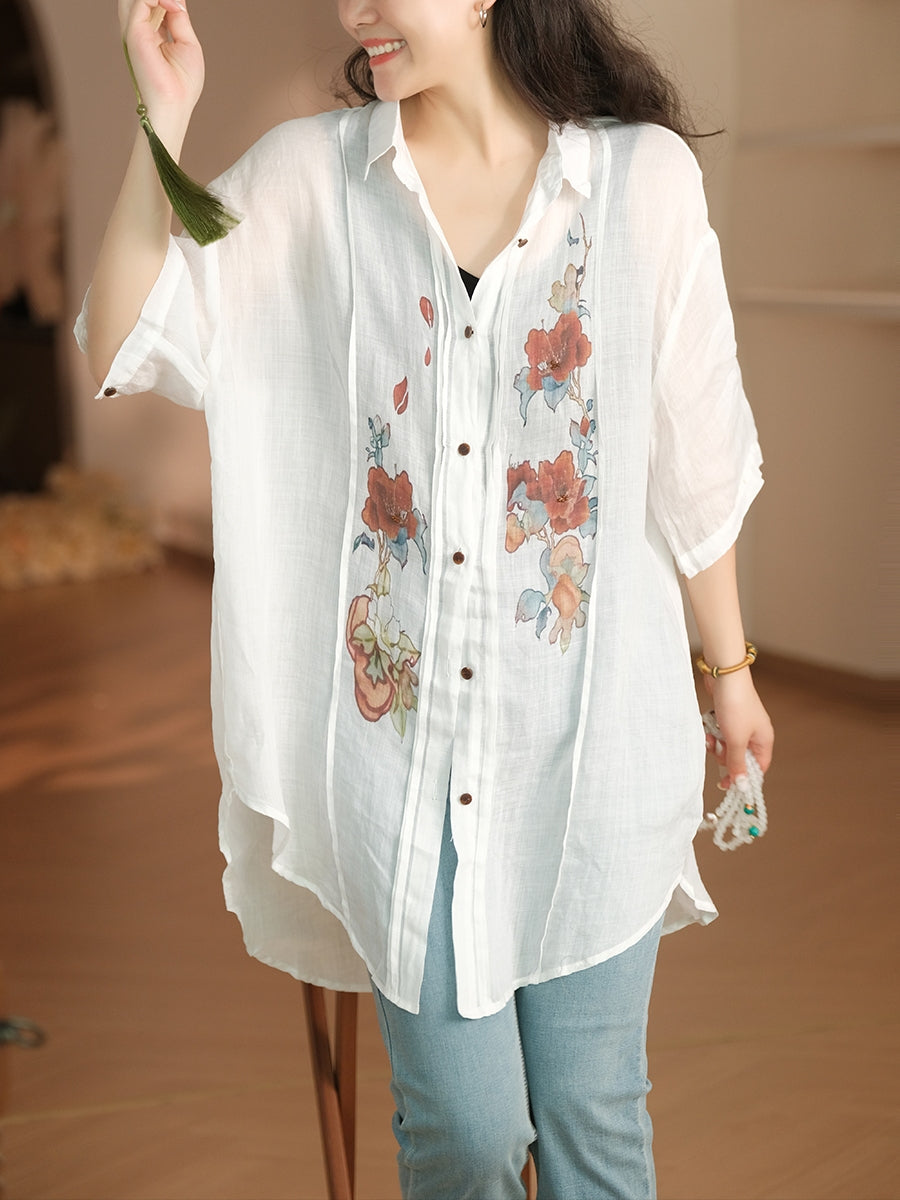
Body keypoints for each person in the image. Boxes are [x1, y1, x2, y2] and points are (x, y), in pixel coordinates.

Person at [79, 1, 775, 1196]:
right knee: (464, 1131)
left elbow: (694, 454)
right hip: (398, 769)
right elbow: (124, 337)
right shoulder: (312, 180)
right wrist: (163, 116)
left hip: (595, 745)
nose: (355, 9)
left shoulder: (642, 182)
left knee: (592, 1113)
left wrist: (731, 675)